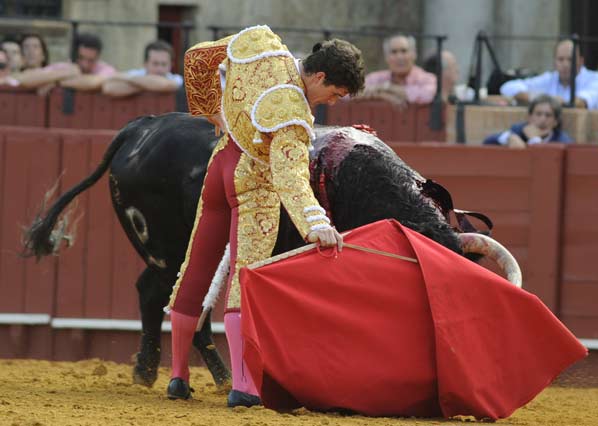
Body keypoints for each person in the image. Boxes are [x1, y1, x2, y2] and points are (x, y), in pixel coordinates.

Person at [164, 25, 365, 407]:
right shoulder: (291, 113)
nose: (332, 103)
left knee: (196, 265)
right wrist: (316, 226)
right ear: (319, 76)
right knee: (247, 275)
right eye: (335, 93)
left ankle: (177, 375)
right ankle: (244, 385)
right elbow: (289, 176)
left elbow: (197, 57)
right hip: (253, 183)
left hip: (220, 163)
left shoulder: (261, 43)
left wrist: (210, 110)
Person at [500, 39, 598, 110]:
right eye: (561, 59)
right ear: (554, 62)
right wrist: (538, 97)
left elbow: (580, 103)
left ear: (580, 61)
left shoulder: (597, 80)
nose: (565, 64)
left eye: (570, 60)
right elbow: (507, 87)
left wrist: (548, 101)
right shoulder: (550, 78)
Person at [14, 33, 116, 93]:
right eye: (81, 58)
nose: (85, 64)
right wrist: (66, 73)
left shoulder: (105, 69)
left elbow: (94, 82)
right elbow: (25, 79)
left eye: (91, 60)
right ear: (73, 54)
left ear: (98, 58)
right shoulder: (65, 67)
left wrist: (56, 82)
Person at [359, 34, 436, 107]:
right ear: (386, 58)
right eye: (394, 52)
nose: (399, 57)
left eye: (404, 51)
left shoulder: (427, 79)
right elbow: (349, 94)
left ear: (414, 54)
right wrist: (382, 95)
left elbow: (427, 96)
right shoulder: (376, 78)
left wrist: (387, 87)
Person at [483, 94, 573, 148]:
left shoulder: (562, 140)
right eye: (538, 114)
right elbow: (488, 141)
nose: (543, 119)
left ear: (555, 122)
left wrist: (534, 139)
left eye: (548, 115)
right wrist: (508, 138)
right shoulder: (519, 129)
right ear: (529, 117)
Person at [102, 40, 182, 97]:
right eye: (155, 64)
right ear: (145, 64)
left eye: (164, 64)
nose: (160, 69)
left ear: (171, 65)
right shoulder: (136, 74)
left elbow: (167, 86)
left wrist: (129, 80)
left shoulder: (176, 78)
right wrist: (149, 84)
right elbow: (108, 87)